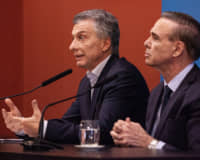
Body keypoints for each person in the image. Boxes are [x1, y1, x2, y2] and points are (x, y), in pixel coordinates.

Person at [2, 9, 149, 145]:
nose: (72, 46)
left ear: (105, 44)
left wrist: (43, 128)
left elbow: (103, 133)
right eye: (73, 38)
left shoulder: (122, 77)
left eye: (81, 38)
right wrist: (25, 127)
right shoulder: (88, 81)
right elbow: (68, 125)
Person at [111, 11, 200, 151]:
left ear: (177, 49)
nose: (146, 43)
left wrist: (148, 142)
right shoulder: (157, 92)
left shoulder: (197, 93)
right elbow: (154, 144)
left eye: (155, 38)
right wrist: (130, 138)